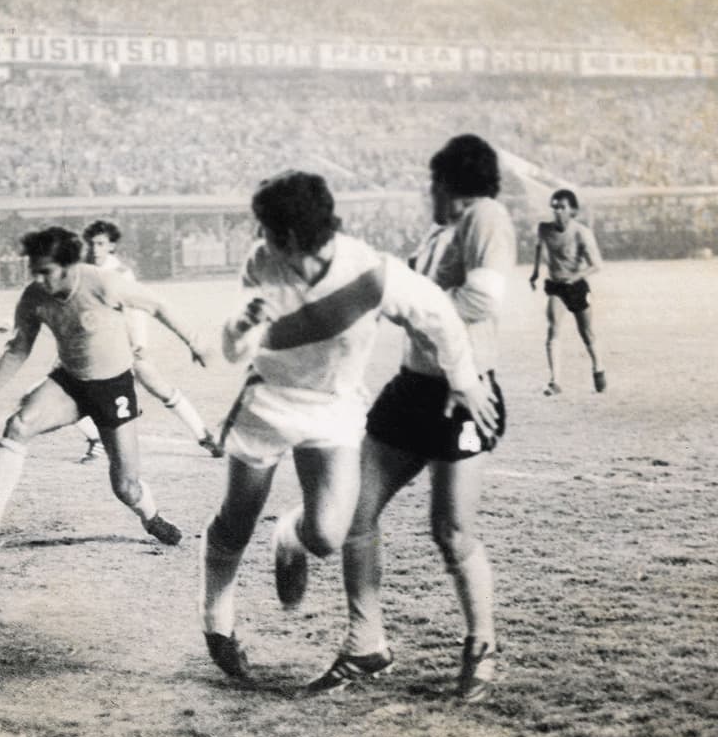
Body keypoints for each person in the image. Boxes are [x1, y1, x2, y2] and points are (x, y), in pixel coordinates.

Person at [197, 170, 498, 684]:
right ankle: (217, 626)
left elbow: (439, 316)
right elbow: (231, 351)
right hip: (268, 402)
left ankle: (287, 538)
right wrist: (242, 324)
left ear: (289, 236)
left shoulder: (371, 272)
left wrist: (464, 379)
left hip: (333, 411)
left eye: (266, 230)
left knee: (327, 536)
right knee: (236, 521)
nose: (260, 240)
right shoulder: (260, 263)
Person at [314, 134, 515, 703]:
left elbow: (482, 302)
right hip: (412, 387)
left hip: (461, 392)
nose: (429, 192)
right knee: (356, 509)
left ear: (447, 182)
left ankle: (482, 645)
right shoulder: (439, 231)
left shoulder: (487, 216)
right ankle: (365, 643)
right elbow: (400, 291)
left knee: (451, 533)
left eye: (433, 182)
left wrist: (418, 305)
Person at [0, 226, 210, 553]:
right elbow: (18, 349)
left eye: (46, 272)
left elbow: (157, 306)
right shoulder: (34, 297)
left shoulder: (102, 283)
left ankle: (152, 517)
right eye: (36, 272)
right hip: (70, 383)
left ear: (69, 265)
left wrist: (194, 341)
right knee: (18, 425)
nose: (40, 280)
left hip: (114, 388)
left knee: (126, 488)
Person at [73, 220, 224, 463]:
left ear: (111, 246)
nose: (95, 249)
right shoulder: (82, 271)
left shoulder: (121, 274)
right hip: (93, 347)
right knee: (68, 391)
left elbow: (138, 309)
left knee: (158, 387)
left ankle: (204, 435)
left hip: (122, 345)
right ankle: (96, 437)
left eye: (100, 243)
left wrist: (139, 342)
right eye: (91, 244)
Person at [529, 189, 606, 395]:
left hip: (577, 287)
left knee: (586, 332)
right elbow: (539, 247)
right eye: (554, 207)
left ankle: (598, 367)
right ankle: (555, 381)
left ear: (572, 210)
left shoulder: (581, 233)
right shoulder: (544, 229)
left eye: (562, 207)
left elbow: (597, 264)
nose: (557, 211)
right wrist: (535, 273)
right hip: (556, 286)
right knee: (552, 327)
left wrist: (575, 277)